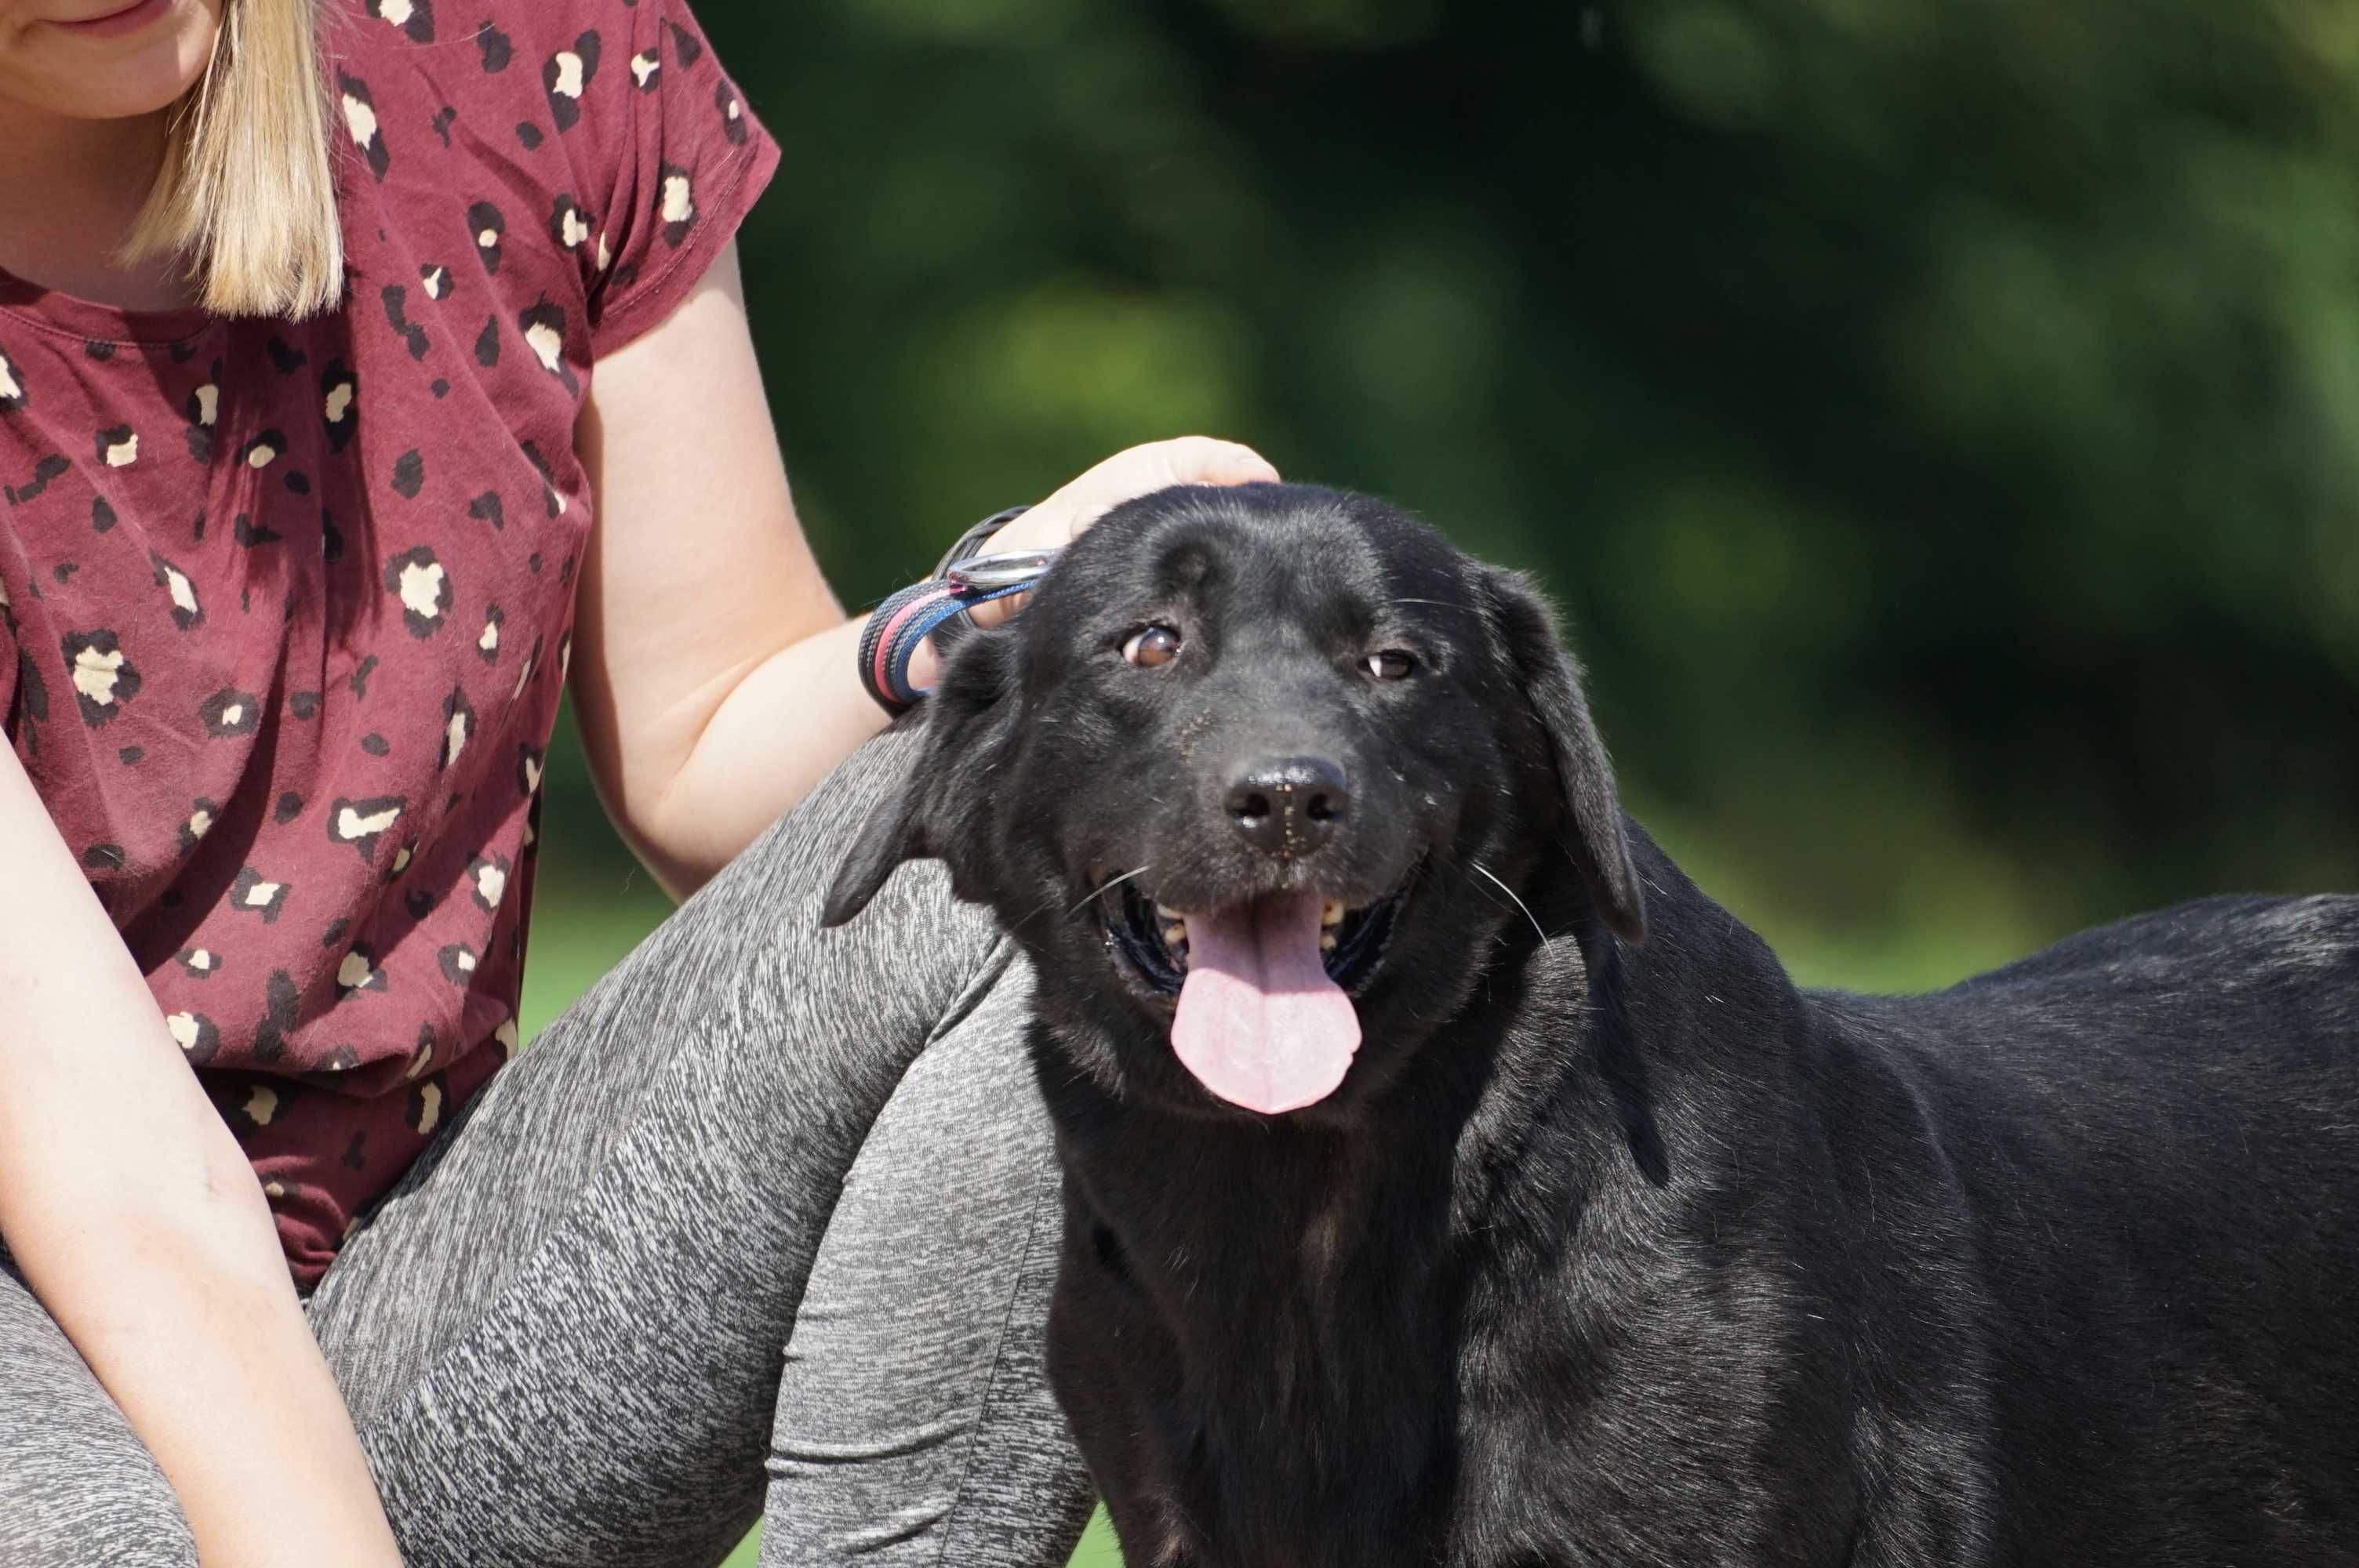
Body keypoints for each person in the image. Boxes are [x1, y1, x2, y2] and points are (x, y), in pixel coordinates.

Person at [0, 0, 1277, 1563]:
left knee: (1024, 846)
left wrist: (988, 622)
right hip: (58, 1320)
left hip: (422, 1294)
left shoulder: (533, 49)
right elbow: (122, 1178)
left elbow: (705, 745)